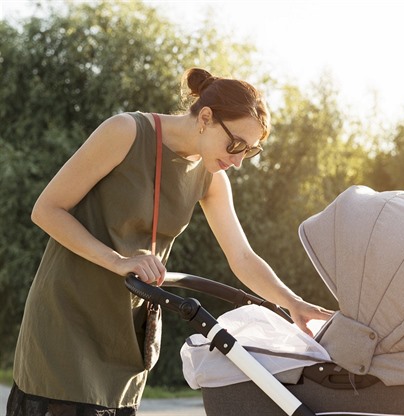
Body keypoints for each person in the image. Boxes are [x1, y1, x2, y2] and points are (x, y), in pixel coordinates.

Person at [7, 68, 333, 416]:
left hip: (127, 324)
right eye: (235, 145)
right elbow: (47, 210)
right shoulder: (126, 132)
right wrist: (118, 261)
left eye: (249, 152)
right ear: (205, 118)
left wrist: (291, 302)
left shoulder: (212, 177)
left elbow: (242, 256)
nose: (237, 162)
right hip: (68, 313)